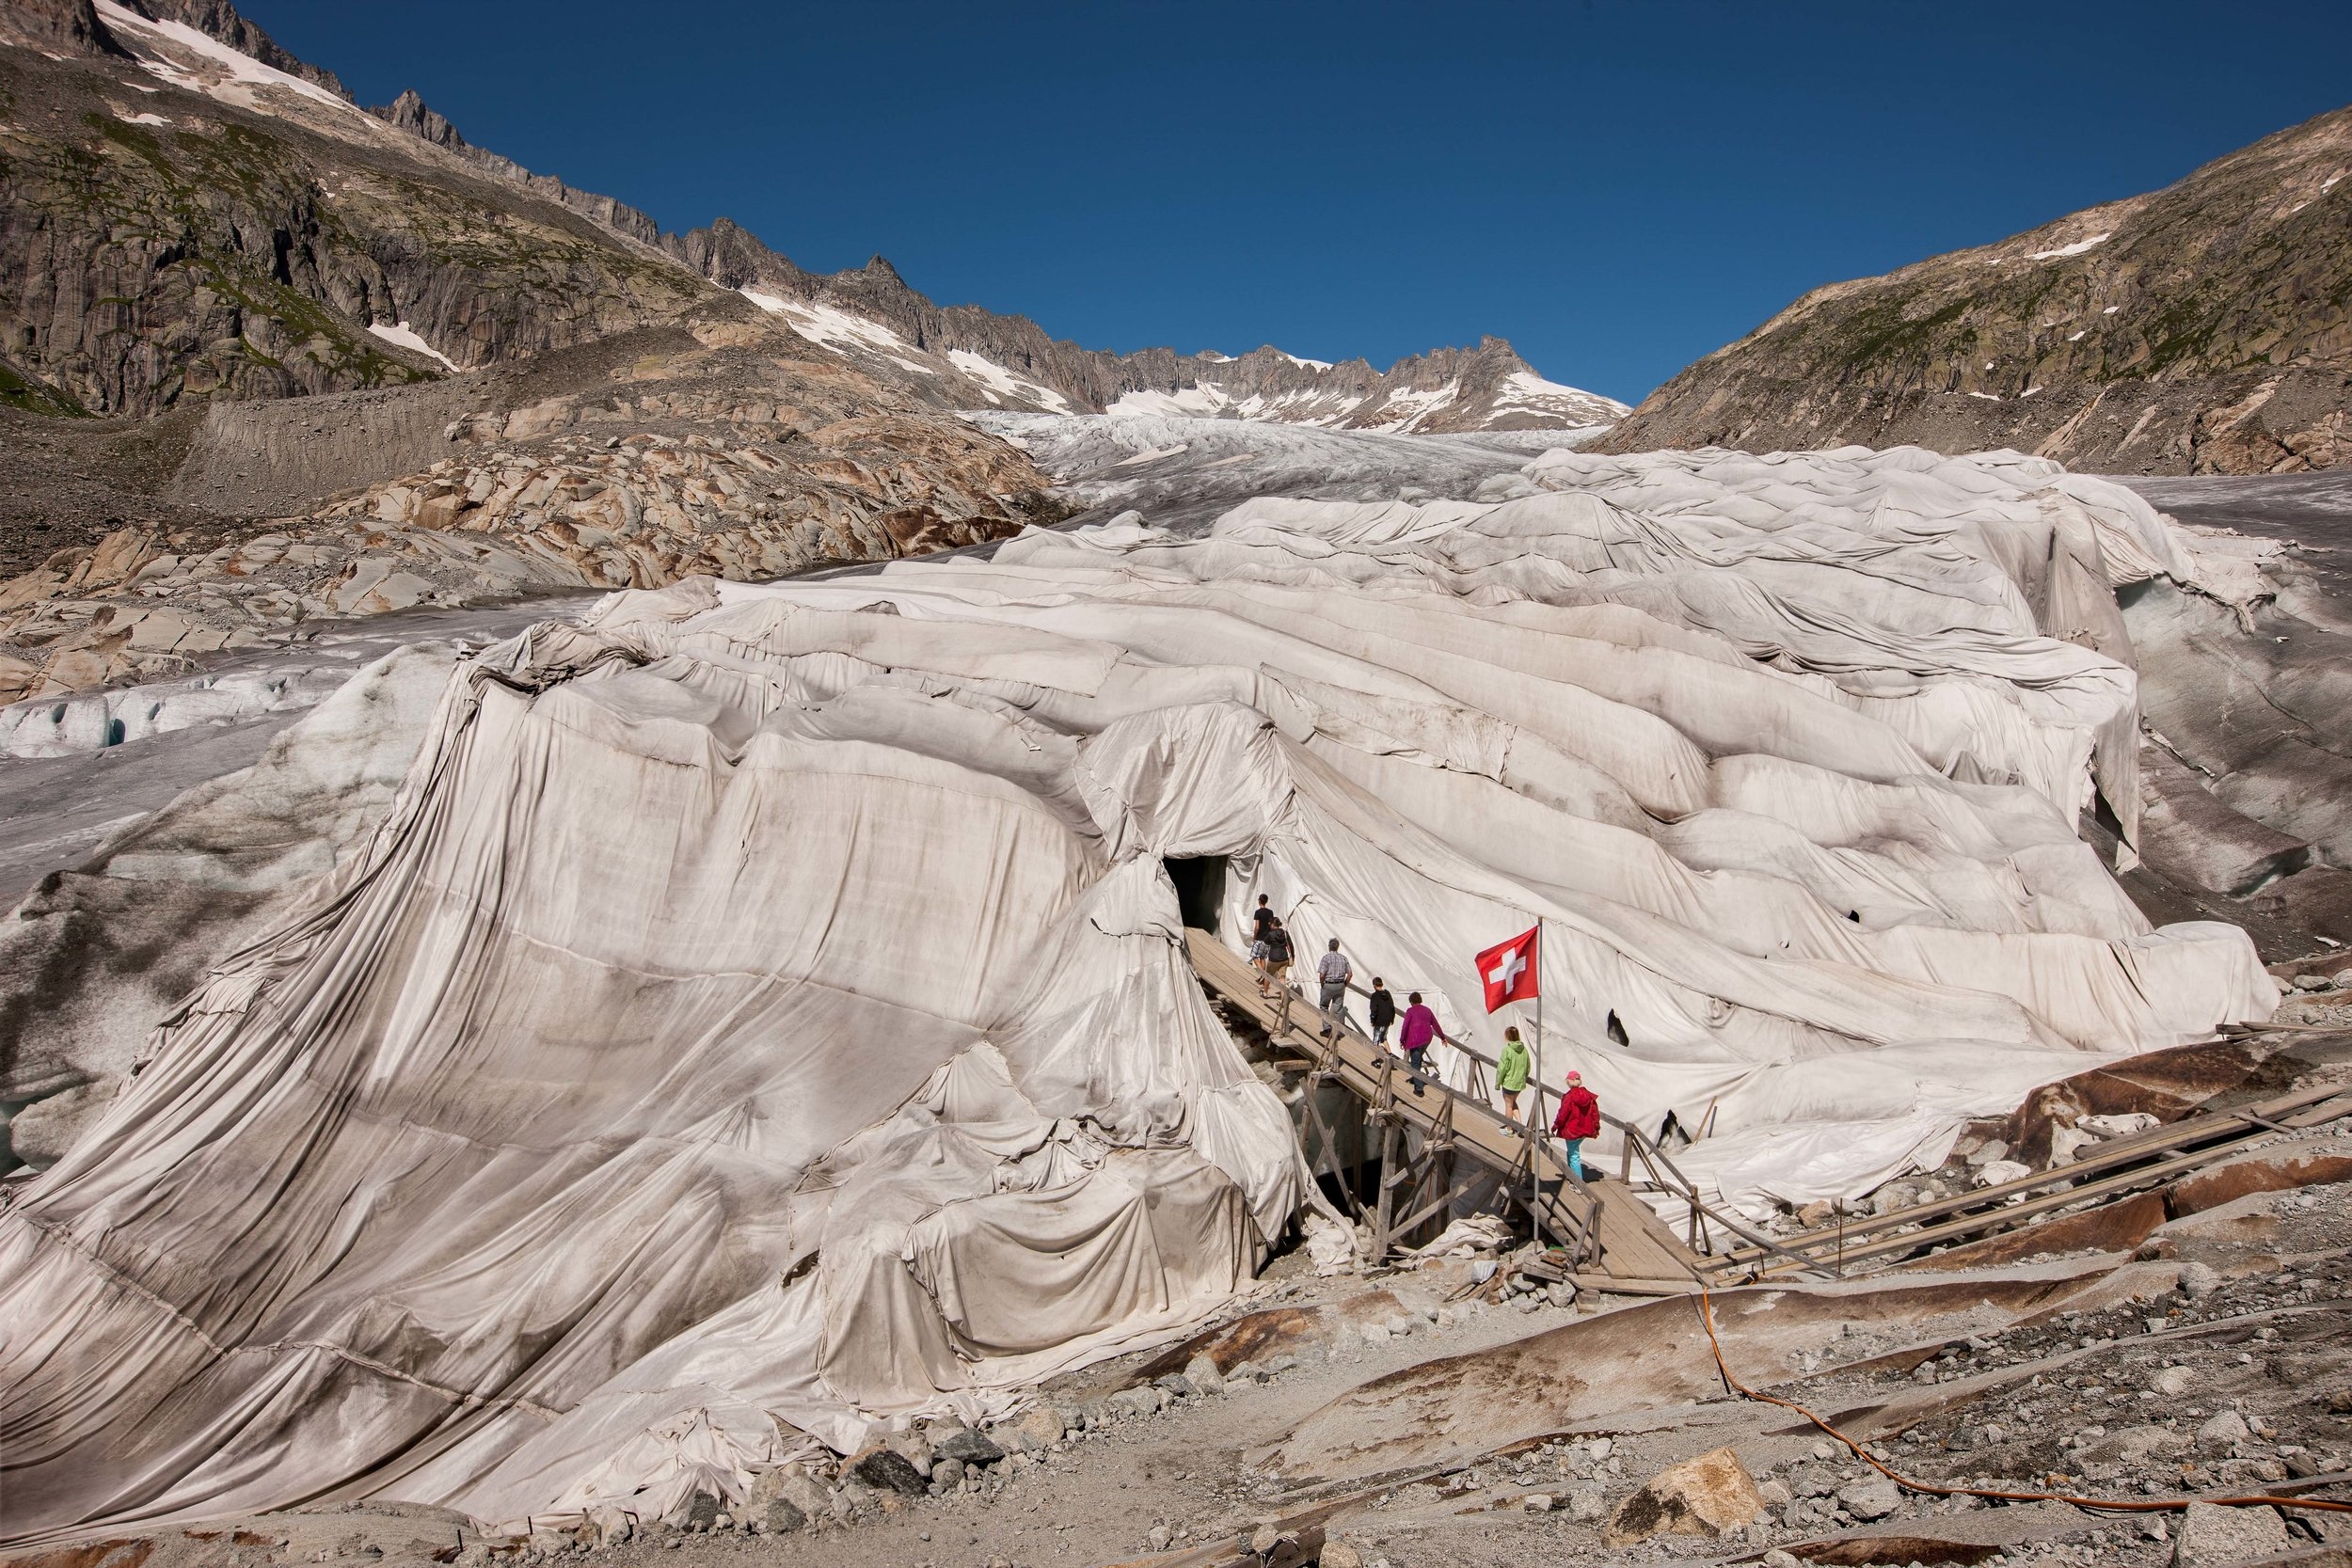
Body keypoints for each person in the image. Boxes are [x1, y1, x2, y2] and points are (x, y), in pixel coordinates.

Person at [1396, 990, 1451, 1098]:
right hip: (1426, 1039)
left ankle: (1419, 1089)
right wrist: (1442, 1037)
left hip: (1415, 1040)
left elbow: (1405, 1026)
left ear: (1411, 1001)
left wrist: (1402, 1040)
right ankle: (1415, 1078)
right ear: (1420, 1000)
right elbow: (1435, 1024)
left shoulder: (1410, 1011)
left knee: (1415, 1063)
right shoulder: (1427, 1010)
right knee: (1417, 1059)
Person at [1552, 1069, 1601, 1182]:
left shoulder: (1569, 1097)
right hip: (1585, 1129)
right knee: (1572, 1152)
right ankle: (1571, 1176)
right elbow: (1595, 1113)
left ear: (1569, 1082)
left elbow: (1562, 1114)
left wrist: (1555, 1125)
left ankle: (1578, 1183)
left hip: (1572, 1131)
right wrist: (1596, 1126)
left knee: (1574, 1155)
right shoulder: (1588, 1095)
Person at [1314, 938, 1353, 1038]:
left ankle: (1327, 1029)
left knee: (1324, 1006)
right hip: (1340, 985)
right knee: (1338, 1009)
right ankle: (1338, 1031)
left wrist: (1322, 984)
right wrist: (1345, 984)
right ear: (1338, 947)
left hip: (1328, 984)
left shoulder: (1326, 958)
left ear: (1329, 947)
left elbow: (1322, 975)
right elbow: (1350, 974)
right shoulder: (1344, 958)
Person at [1496, 1024, 1532, 1121]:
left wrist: (1498, 1083)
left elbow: (1502, 1068)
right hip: (1519, 1084)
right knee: (1513, 1102)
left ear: (1507, 1036)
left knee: (1508, 1106)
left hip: (1509, 1083)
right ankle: (1519, 1125)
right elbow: (1528, 1066)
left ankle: (1509, 1129)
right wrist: (1523, 1078)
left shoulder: (1507, 1050)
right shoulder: (1524, 1050)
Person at [1262, 918, 1295, 1002]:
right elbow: (1290, 945)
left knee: (1268, 976)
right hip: (1284, 958)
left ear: (1273, 924)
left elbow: (1266, 942)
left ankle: (1265, 993)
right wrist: (1292, 956)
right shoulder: (1285, 933)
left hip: (1273, 958)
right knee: (1282, 978)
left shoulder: (1271, 934)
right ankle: (1282, 999)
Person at [1366, 977, 1396, 1049]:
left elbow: (1374, 1009)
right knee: (1383, 1038)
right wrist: (1392, 1019)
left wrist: (1372, 1020)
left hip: (1379, 1021)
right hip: (1387, 1020)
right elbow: (1392, 1006)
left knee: (1376, 1040)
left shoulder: (1375, 996)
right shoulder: (1387, 993)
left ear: (1374, 985)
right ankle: (1390, 1053)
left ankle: (1378, 1058)